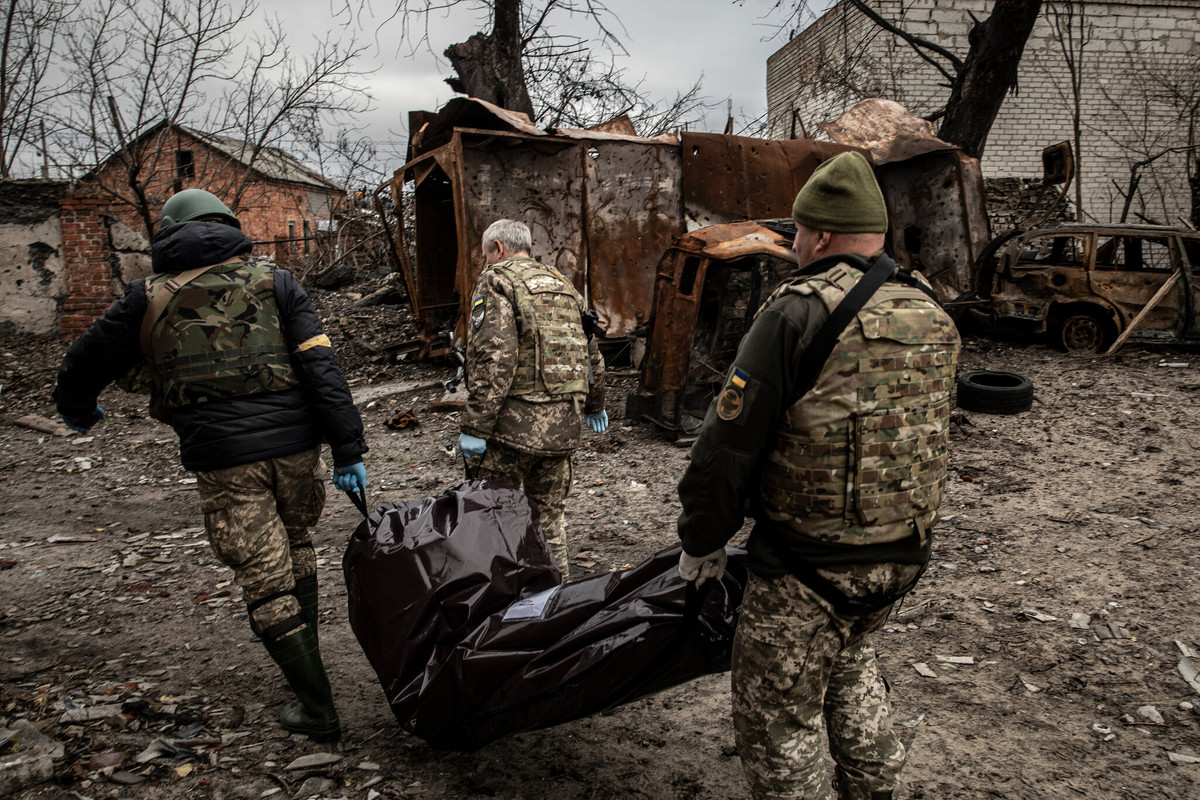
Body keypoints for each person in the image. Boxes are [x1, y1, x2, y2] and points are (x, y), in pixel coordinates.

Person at [674, 152, 960, 800]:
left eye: (799, 232)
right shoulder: (931, 313)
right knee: (850, 664)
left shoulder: (795, 311)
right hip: (901, 558)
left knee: (778, 721)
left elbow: (728, 447)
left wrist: (702, 537)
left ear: (822, 236)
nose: (794, 243)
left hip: (810, 567)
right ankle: (875, 788)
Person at [54, 189, 368, 743]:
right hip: (297, 448)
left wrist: (78, 410)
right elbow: (322, 367)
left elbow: (84, 360)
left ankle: (316, 705)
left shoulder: (145, 297)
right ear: (227, 224)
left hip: (224, 457)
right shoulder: (277, 282)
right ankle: (308, 672)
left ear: (169, 235)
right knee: (296, 545)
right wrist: (348, 449)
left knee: (262, 576)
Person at [458, 219, 607, 581]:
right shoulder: (564, 285)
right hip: (563, 430)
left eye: (486, 255)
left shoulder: (497, 281)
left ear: (498, 248)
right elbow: (590, 353)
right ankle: (558, 602)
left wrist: (476, 424)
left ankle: (500, 610)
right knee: (549, 522)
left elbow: (495, 356)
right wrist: (595, 404)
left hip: (512, 431)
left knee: (493, 519)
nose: (486, 262)